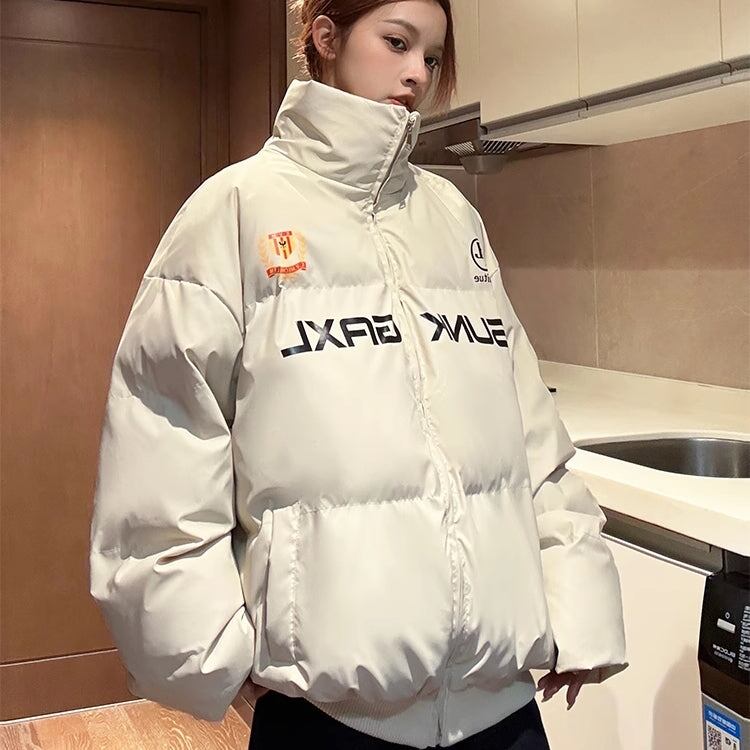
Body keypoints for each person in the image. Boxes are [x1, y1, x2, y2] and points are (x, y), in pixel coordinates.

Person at [88, 0, 629, 748]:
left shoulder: (453, 217)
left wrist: (580, 604)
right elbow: (165, 444)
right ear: (326, 37)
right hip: (333, 718)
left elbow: (529, 431)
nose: (417, 74)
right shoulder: (234, 210)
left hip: (500, 708)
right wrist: (206, 649)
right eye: (397, 42)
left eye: (431, 57)